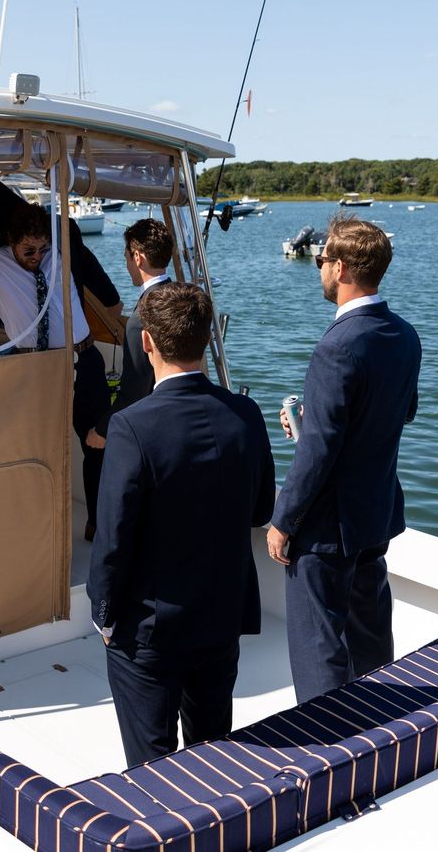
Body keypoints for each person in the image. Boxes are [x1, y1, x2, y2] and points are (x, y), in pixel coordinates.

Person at [87, 282, 274, 767]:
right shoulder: (246, 414)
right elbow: (260, 511)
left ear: (146, 342)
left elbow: (113, 537)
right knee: (212, 751)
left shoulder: (131, 426)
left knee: (152, 766)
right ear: (208, 338)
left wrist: (104, 613)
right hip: (221, 618)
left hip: (152, 629)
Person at [268, 216, 422, 704]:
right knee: (371, 637)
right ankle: (381, 728)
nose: (319, 270)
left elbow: (319, 451)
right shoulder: (403, 335)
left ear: (342, 267)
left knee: (319, 648)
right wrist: (315, 422)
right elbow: (403, 411)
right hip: (374, 512)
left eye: (322, 260)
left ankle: (329, 749)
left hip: (327, 527)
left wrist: (283, 520)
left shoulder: (337, 346)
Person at [0, 203, 112, 512]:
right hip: (36, 368)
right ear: (11, 241)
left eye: (43, 249)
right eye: (29, 250)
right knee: (38, 449)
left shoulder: (59, 255)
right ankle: (41, 520)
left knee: (97, 442)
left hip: (84, 360)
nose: (37, 258)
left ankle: (97, 522)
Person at [83, 219, 174, 537]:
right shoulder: (182, 298)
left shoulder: (139, 320)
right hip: (175, 419)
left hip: (148, 432)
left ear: (137, 257)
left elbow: (134, 390)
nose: (127, 264)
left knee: (94, 448)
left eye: (126, 257)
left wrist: (101, 430)